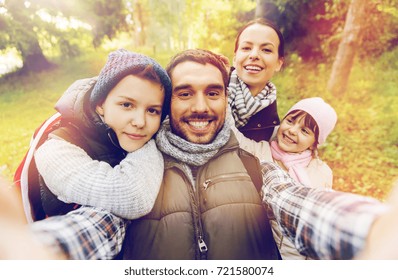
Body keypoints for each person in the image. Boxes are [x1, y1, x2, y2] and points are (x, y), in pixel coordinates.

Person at [3, 48, 396, 260]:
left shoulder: (254, 162)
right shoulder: (136, 168)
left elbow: (299, 205)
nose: (200, 106)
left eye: (213, 91)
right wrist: (45, 254)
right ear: (167, 102)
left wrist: (370, 233)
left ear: (226, 97)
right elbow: (98, 224)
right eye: (184, 93)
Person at [30, 49, 172, 221]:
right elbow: (132, 197)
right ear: (100, 104)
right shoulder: (56, 150)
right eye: (127, 105)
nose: (140, 122)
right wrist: (151, 143)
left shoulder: (132, 134)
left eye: (152, 110)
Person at [235, 97, 337, 259]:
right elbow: (233, 136)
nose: (292, 130)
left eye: (305, 131)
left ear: (314, 143)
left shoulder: (321, 172)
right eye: (290, 121)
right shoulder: (260, 152)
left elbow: (319, 225)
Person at [228, 18, 284, 141]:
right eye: (246, 48)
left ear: (278, 63)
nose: (254, 55)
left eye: (266, 50)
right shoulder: (210, 89)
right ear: (235, 57)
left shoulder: (274, 128)